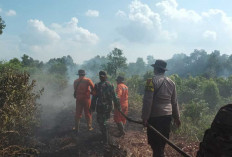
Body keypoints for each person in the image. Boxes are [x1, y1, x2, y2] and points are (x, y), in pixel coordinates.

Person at [142, 60, 181, 157]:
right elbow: (174, 102)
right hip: (167, 117)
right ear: (164, 70)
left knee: (155, 145)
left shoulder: (150, 81)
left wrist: (145, 117)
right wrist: (177, 118)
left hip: (155, 118)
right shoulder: (171, 82)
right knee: (161, 144)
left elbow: (148, 101)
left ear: (155, 69)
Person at [90, 71, 120, 144]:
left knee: (102, 123)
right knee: (104, 121)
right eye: (101, 76)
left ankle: (105, 140)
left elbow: (94, 98)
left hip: (101, 107)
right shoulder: (110, 85)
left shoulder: (97, 85)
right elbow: (114, 97)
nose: (101, 77)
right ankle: (105, 137)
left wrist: (92, 108)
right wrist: (117, 105)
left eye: (102, 76)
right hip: (108, 107)